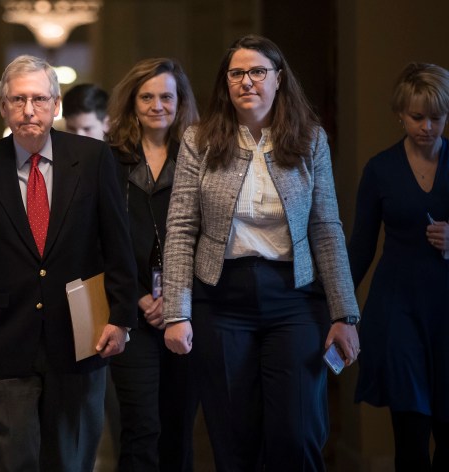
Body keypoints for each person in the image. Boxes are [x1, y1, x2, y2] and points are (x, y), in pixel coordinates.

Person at [163, 34, 361, 471]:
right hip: (221, 299)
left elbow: (326, 227)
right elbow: (180, 227)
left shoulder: (310, 139)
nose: (247, 81)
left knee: (297, 432)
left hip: (293, 298)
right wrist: (178, 312)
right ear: (225, 82)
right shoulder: (201, 139)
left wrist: (344, 314)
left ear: (278, 79)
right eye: (237, 73)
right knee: (234, 435)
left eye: (257, 72)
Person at [0, 54, 137, 472]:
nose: (29, 110)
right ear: (2, 106)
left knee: (71, 460)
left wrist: (121, 317)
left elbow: (118, 246)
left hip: (81, 339)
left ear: (57, 105)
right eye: (18, 99)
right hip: (5, 338)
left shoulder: (94, 159)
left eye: (39, 99)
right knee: (16, 461)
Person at [348, 62, 449, 471]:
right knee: (410, 436)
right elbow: (361, 246)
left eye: (437, 117)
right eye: (417, 117)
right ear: (400, 115)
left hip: (446, 313)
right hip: (398, 311)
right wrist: (335, 305)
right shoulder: (380, 169)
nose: (427, 126)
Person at [105, 58, 200, 471]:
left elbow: (213, 236)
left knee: (179, 428)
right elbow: (98, 240)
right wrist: (141, 298)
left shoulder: (202, 158)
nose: (157, 105)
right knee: (140, 427)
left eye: (166, 96)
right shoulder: (107, 161)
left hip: (189, 311)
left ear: (180, 103)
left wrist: (178, 299)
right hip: (131, 312)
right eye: (147, 96)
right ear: (132, 102)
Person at [61, 82, 122, 463]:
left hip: (118, 297)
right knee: (82, 409)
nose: (79, 138)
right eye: (72, 130)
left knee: (122, 411)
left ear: (107, 124)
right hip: (79, 299)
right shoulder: (61, 168)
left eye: (87, 129)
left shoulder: (119, 168)